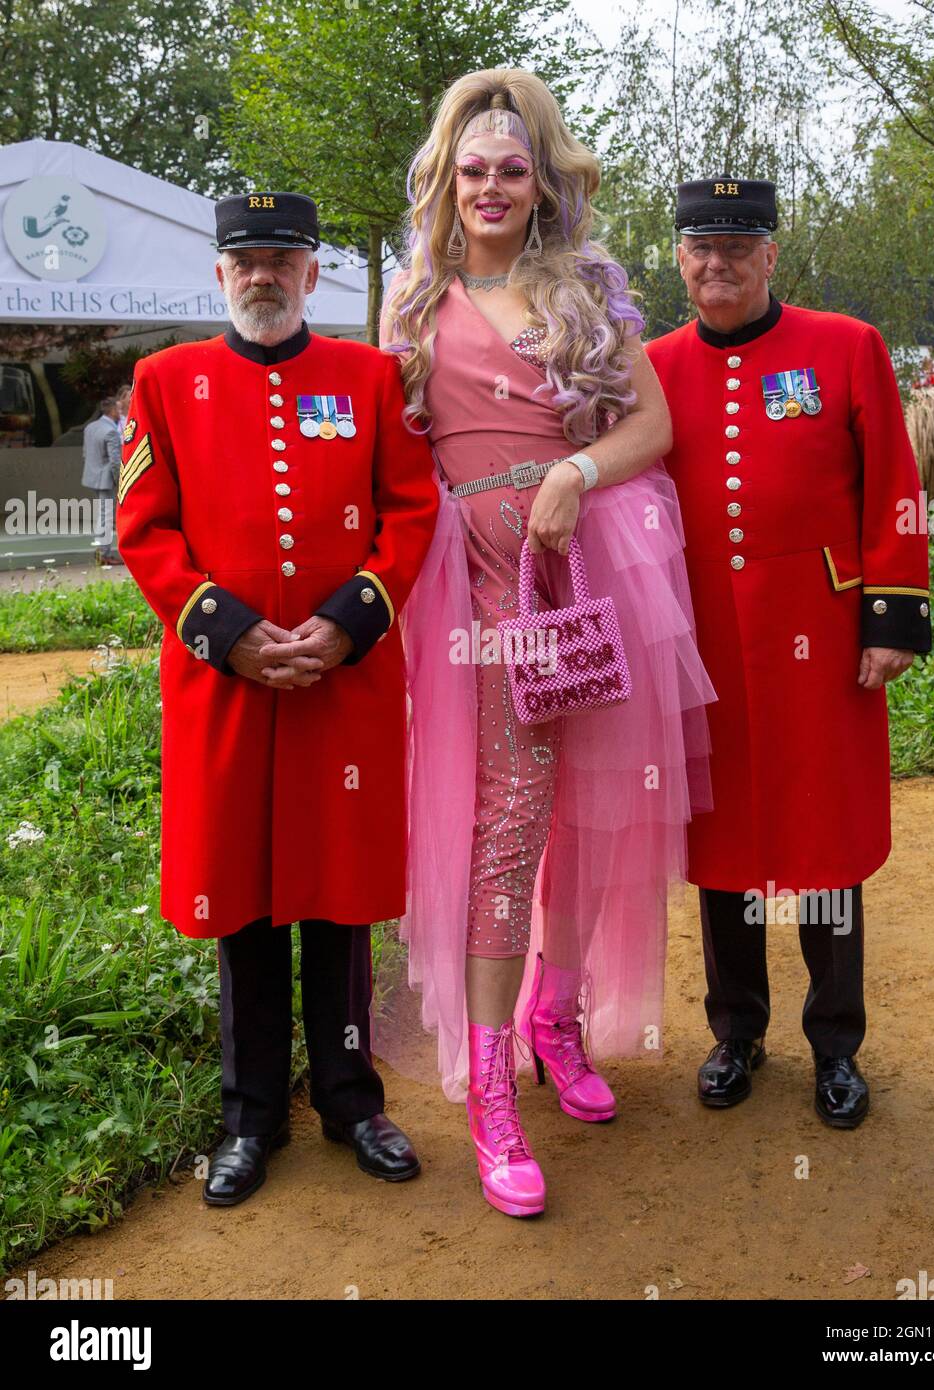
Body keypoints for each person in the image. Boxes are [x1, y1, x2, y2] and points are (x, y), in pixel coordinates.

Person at [372, 71, 715, 1218]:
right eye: (470, 168)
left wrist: (572, 468)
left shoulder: (590, 291)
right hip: (471, 598)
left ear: (540, 181)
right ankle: (486, 1086)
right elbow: (392, 454)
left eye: (510, 169)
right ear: (445, 178)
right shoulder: (411, 304)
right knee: (507, 827)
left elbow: (651, 426)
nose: (489, 186)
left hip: (586, 575)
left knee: (594, 809)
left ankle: (555, 1019)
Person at [116, 192, 439, 1205]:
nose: (261, 273)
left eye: (280, 258)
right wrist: (228, 631)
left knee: (340, 900)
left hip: (340, 684)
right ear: (220, 275)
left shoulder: (370, 376)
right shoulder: (164, 382)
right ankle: (250, 1114)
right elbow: (144, 528)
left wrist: (350, 618)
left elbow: (411, 507)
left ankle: (350, 1096)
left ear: (311, 273)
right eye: (243, 259)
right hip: (227, 688)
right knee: (241, 899)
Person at [646, 177, 932, 1128]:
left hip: (820, 642)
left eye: (738, 246)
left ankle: (836, 1044)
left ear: (771, 255)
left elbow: (892, 480)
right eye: (701, 247)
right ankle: (735, 1031)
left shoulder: (845, 346)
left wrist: (890, 618)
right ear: (678, 258)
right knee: (720, 837)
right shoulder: (650, 366)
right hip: (702, 645)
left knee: (823, 840)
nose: (717, 261)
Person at [81, 396, 123, 565]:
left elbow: (85, 453)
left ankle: (102, 551)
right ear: (112, 411)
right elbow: (115, 461)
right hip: (106, 480)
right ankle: (103, 554)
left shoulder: (90, 427)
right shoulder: (111, 431)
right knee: (107, 516)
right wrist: (120, 481)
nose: (120, 413)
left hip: (93, 478)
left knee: (103, 515)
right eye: (118, 410)